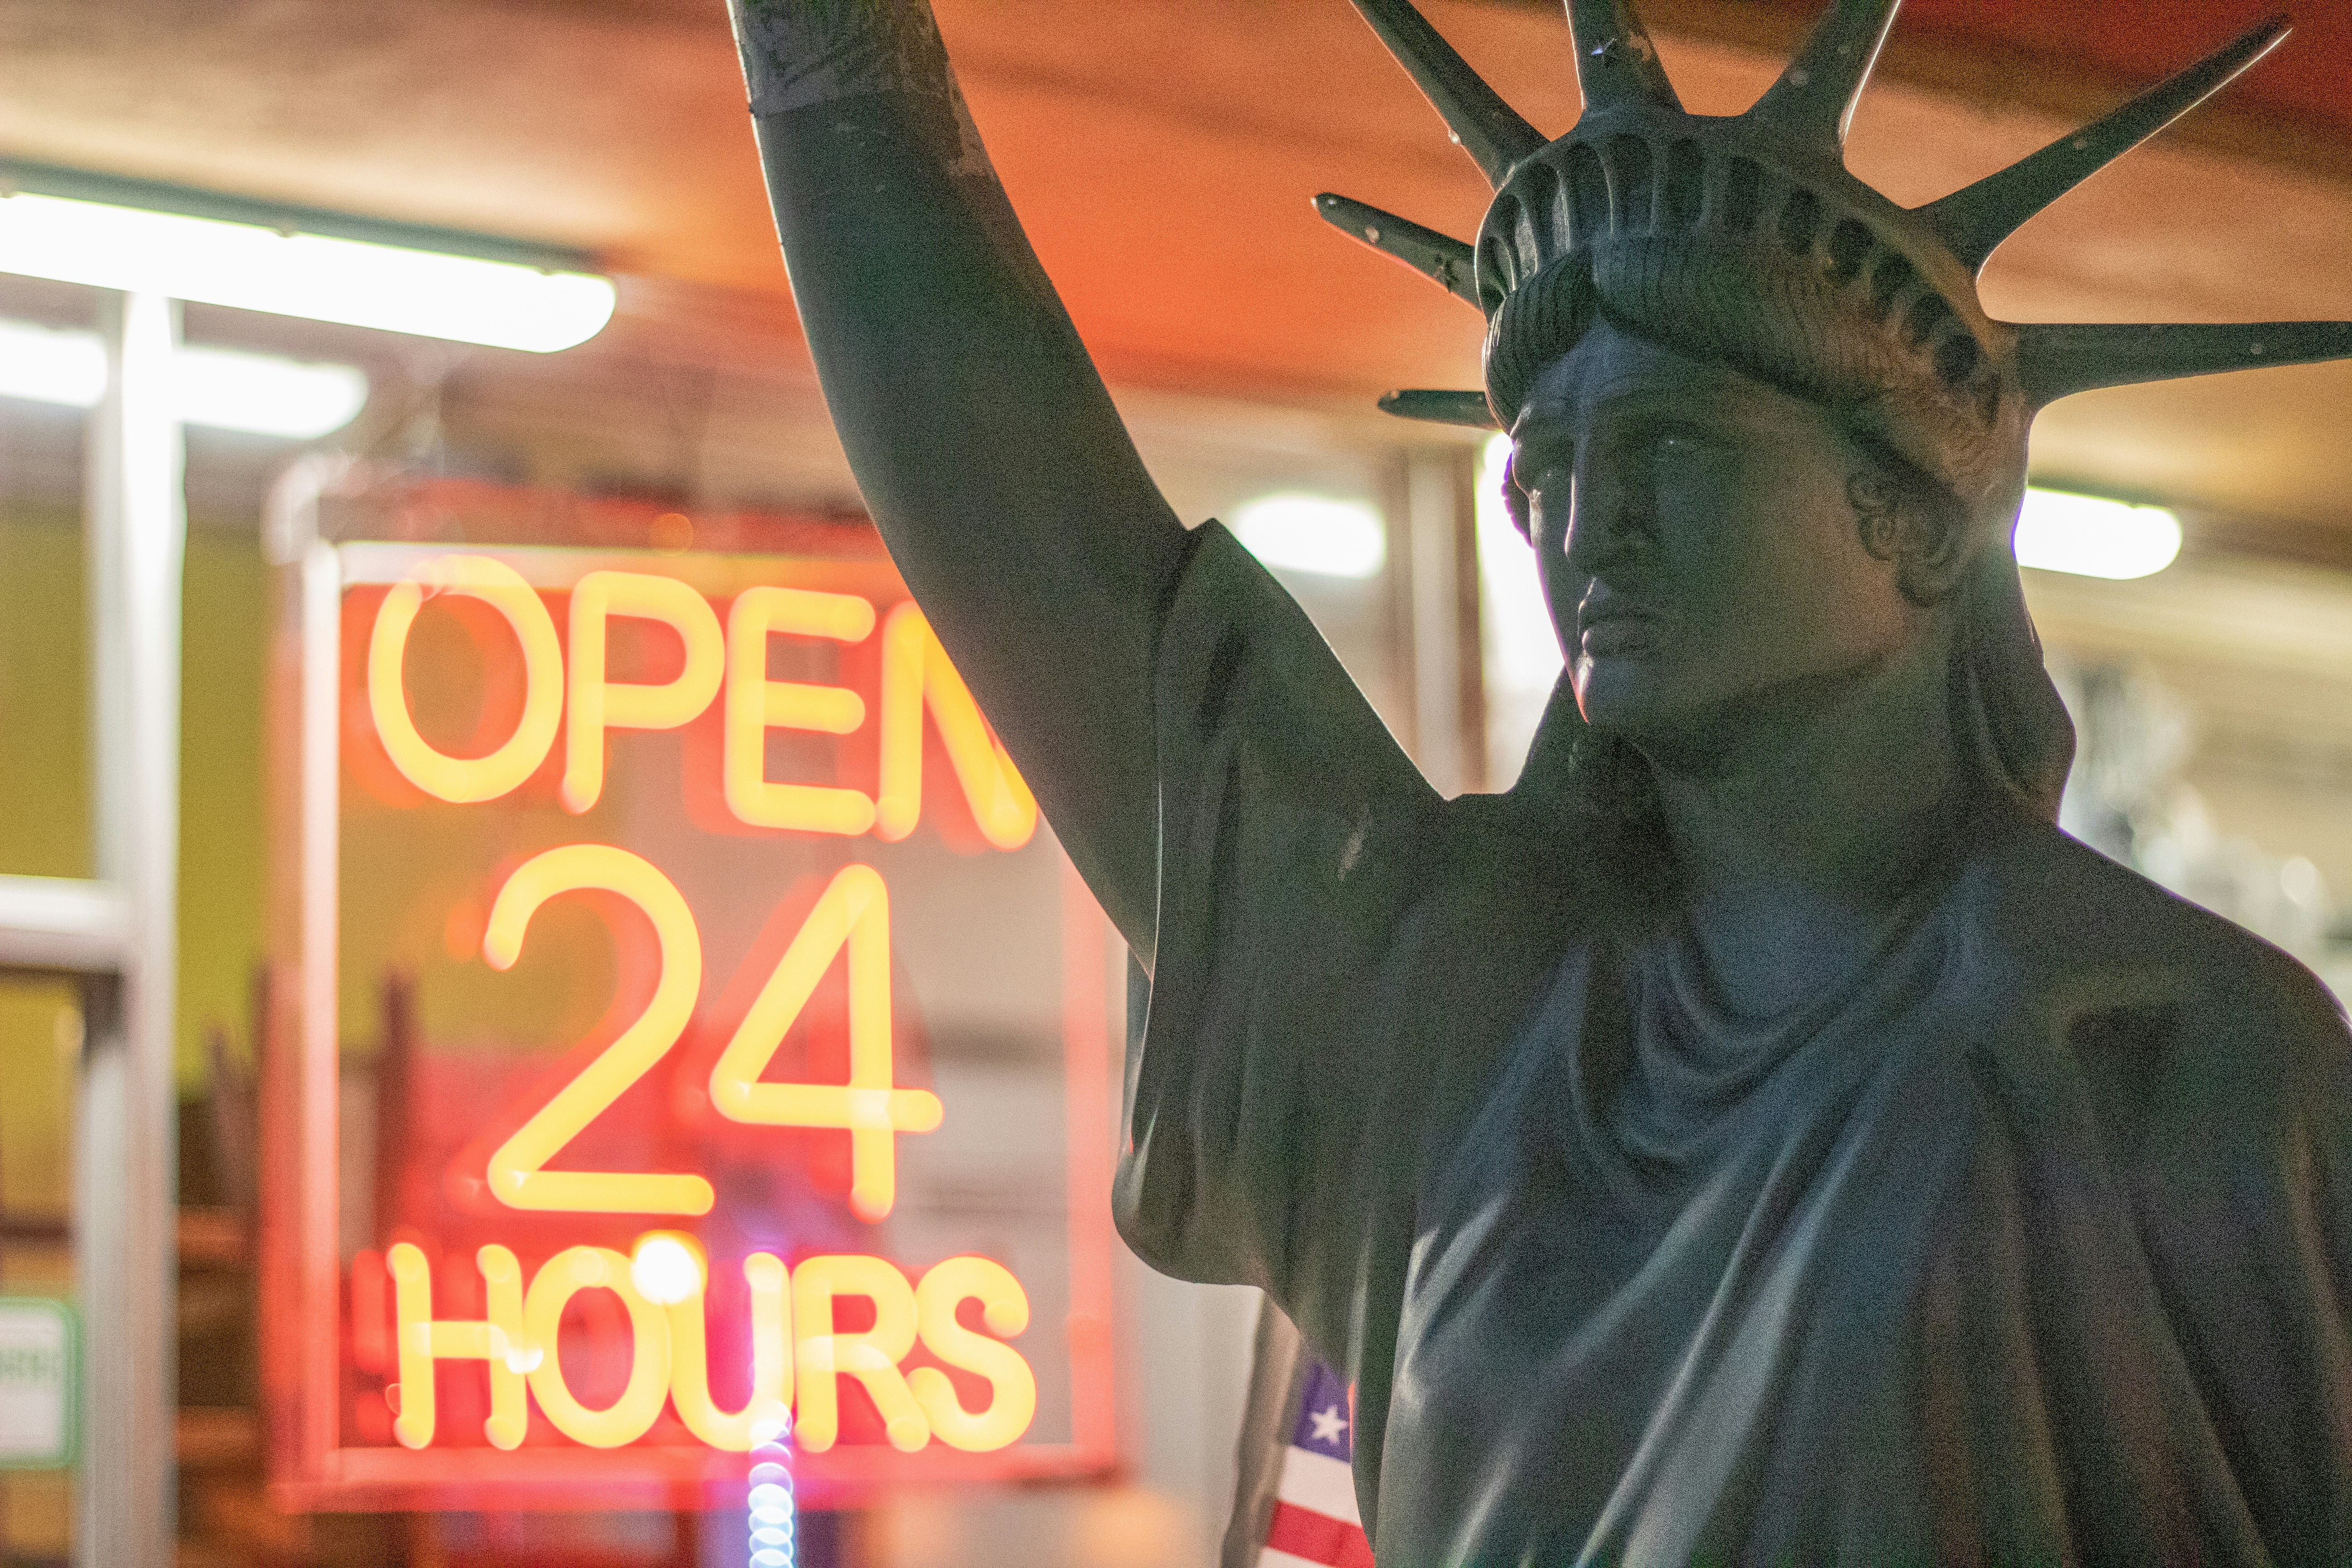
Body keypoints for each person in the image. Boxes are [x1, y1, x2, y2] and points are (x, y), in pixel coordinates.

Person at [723, 0, 2352, 1558]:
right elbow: (1027, 530)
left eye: (1672, 449)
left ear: (1920, 523)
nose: (1585, 532)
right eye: (1543, 474)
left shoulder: (2173, 1055)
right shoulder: (1457, 1019)